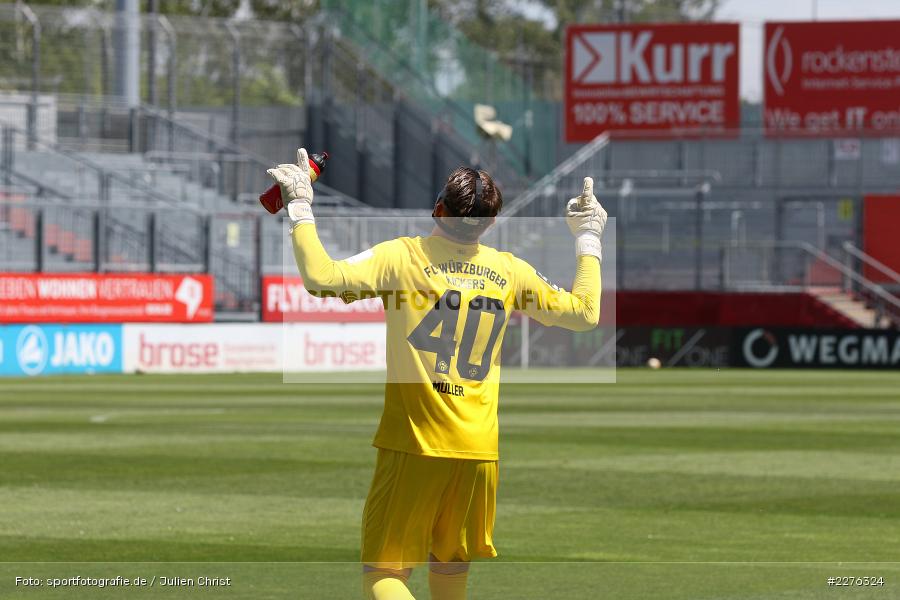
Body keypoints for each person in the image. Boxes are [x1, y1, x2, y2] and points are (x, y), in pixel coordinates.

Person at [267, 149, 607, 600]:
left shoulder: (403, 257)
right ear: (489, 223)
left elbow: (321, 277)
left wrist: (300, 205)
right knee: (449, 567)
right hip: (479, 452)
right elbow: (585, 313)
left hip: (416, 444)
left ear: (438, 207)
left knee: (384, 572)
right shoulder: (509, 270)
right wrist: (588, 237)